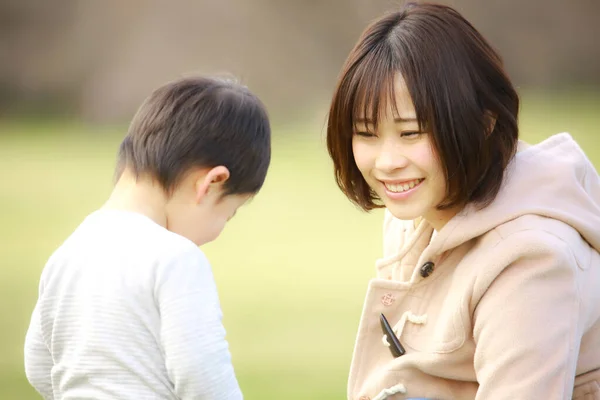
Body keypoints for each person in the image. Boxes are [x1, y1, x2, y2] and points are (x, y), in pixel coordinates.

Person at [326, 3, 600, 399]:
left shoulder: (533, 258)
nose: (387, 162)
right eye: (366, 133)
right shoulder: (416, 213)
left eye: (411, 133)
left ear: (483, 124)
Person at [24, 75, 271, 399]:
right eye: (229, 213)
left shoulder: (67, 254)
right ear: (211, 183)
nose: (219, 231)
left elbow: (38, 365)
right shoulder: (177, 259)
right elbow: (203, 376)